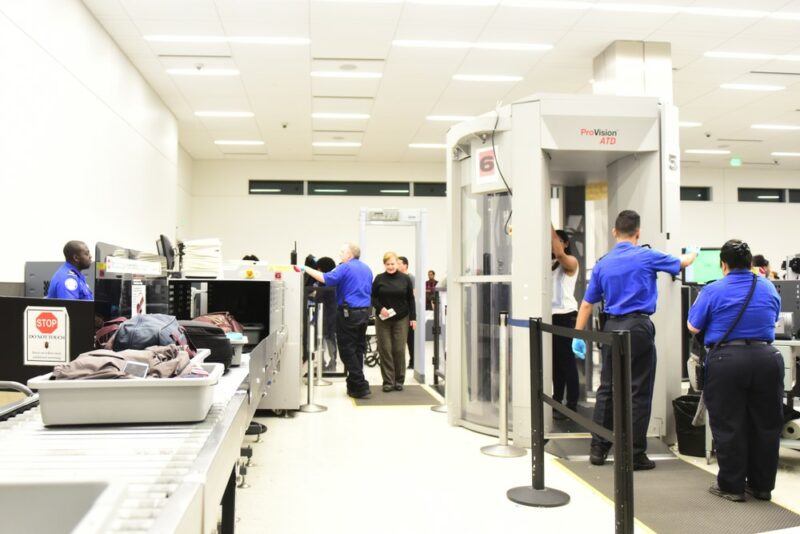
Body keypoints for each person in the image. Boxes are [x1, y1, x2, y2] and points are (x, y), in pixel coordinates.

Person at [571, 210, 698, 470]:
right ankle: (633, 454)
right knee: (638, 391)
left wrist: (578, 335)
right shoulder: (646, 256)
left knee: (607, 389)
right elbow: (681, 263)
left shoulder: (603, 263)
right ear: (638, 233)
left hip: (611, 327)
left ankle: (598, 449)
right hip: (638, 327)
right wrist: (693, 252)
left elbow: (586, 304)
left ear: (615, 232)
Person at [687, 240, 782, 502]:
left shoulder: (713, 289)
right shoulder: (768, 286)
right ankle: (762, 487)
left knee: (729, 424)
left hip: (727, 361)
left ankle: (732, 487)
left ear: (723, 264)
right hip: (767, 358)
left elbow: (693, 327)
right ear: (751, 263)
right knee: (766, 425)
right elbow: (773, 318)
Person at [301, 243, 373, 398]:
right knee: (358, 349)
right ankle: (353, 386)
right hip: (364, 313)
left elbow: (325, 278)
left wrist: (305, 268)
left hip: (348, 314)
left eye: (343, 251)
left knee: (347, 350)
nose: (340, 253)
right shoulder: (366, 268)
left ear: (350, 254)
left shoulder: (345, 267)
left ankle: (361, 385)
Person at [372, 252, 416, 392]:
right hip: (383, 319)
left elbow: (411, 299)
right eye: (388, 264)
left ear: (397, 264)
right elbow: (373, 297)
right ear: (384, 264)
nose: (390, 267)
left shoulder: (405, 279)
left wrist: (413, 318)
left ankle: (399, 380)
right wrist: (380, 308)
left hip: (401, 318)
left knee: (398, 349)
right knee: (385, 349)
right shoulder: (379, 279)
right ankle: (388, 381)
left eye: (392, 264)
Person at [551, 227, 579, 420]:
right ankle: (557, 400)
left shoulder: (570, 262)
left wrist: (548, 225)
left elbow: (560, 253)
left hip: (566, 316)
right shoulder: (550, 264)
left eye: (558, 241)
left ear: (566, 243)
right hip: (551, 317)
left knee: (567, 362)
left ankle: (571, 405)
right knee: (555, 364)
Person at [315, 257, 339, 372]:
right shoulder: (335, 278)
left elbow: (319, 297)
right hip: (330, 314)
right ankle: (330, 363)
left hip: (327, 315)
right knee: (329, 339)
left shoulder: (326, 281)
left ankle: (329, 363)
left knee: (327, 339)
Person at [398, 256, 416, 369]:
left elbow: (412, 295)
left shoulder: (410, 278)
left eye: (399, 263)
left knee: (410, 339)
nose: (397, 265)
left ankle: (413, 361)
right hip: (400, 313)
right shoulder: (398, 278)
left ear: (405, 265)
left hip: (409, 312)